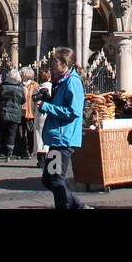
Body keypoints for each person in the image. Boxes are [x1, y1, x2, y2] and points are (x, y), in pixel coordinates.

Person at [38, 47, 87, 210]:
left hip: (63, 139)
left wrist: (47, 107)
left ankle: (69, 206)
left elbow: (74, 111)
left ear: (65, 63)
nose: (51, 65)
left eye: (55, 62)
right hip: (56, 138)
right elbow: (61, 105)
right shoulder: (60, 80)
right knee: (49, 180)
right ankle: (77, 205)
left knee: (56, 180)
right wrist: (48, 99)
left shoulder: (72, 81)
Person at [0, 68, 25, 162]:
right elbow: (23, 100)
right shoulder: (19, 87)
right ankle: (8, 154)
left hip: (2, 112)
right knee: (11, 134)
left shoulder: (2, 86)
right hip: (14, 114)